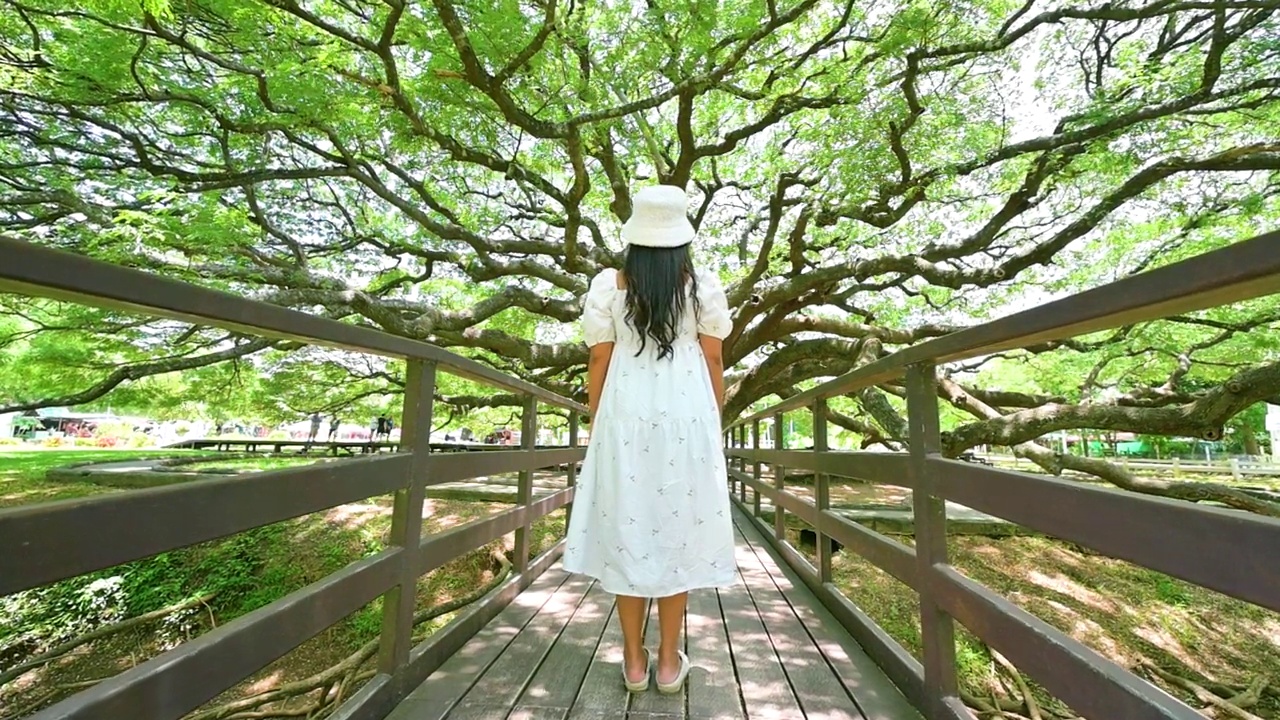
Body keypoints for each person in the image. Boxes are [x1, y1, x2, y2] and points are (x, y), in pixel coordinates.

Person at [562, 185, 733, 695]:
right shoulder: (701, 285)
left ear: (635, 236)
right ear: (681, 239)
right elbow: (714, 359)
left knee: (628, 531)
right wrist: (712, 418)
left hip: (624, 417)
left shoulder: (608, 285)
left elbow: (598, 358)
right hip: (686, 419)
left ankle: (633, 663)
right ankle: (666, 663)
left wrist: (599, 422)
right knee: (676, 531)